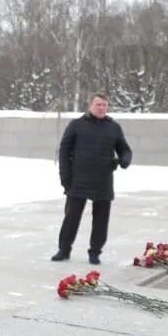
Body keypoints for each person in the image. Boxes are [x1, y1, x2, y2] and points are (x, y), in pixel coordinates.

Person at [51, 93, 132, 265]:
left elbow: (125, 149)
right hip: (78, 179)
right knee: (71, 217)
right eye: (98, 104)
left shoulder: (113, 127)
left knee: (101, 220)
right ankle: (64, 249)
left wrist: (124, 160)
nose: (102, 108)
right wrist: (65, 178)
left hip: (103, 179)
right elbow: (64, 152)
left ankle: (95, 252)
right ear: (90, 106)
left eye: (104, 105)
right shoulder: (76, 125)